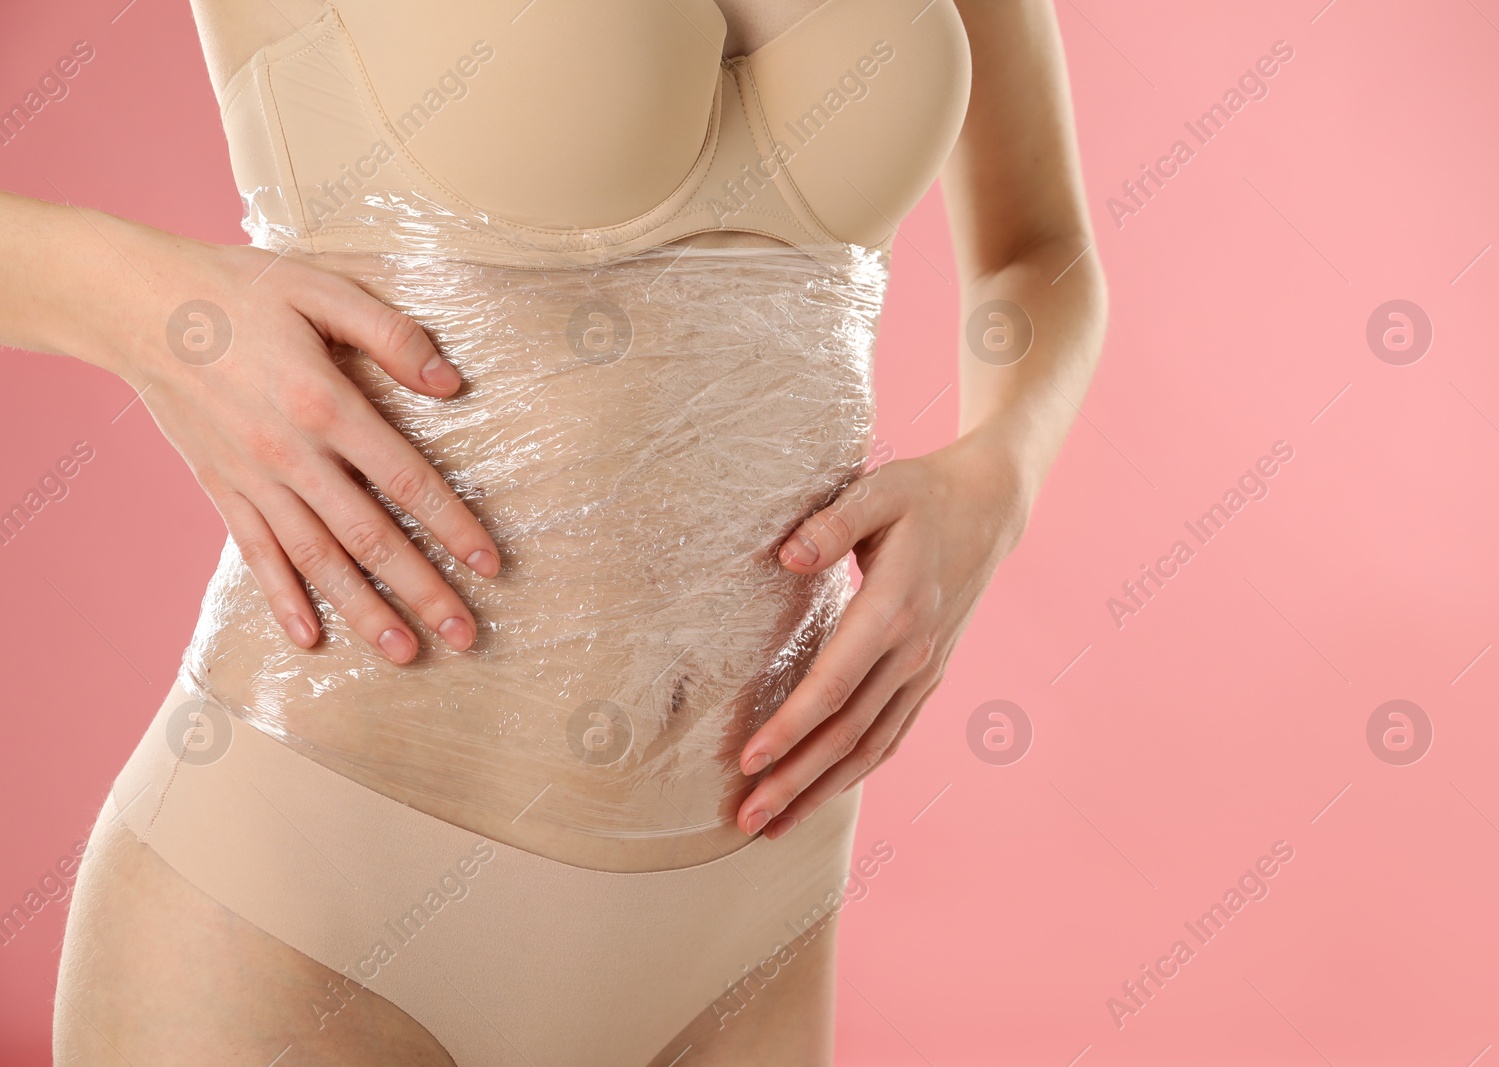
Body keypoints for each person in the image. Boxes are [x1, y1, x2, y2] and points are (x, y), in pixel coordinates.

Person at [13, 1, 1106, 1063]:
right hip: (314, 898)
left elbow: (1038, 246)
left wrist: (1000, 471)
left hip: (748, 931)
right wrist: (153, 307)